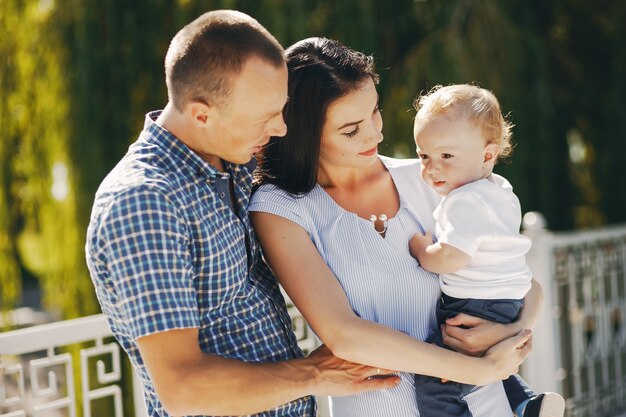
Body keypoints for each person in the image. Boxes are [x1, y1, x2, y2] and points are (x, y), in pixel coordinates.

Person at [85, 11, 402, 417]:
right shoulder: (145, 203)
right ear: (202, 114)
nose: (282, 129)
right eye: (264, 118)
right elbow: (184, 388)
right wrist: (311, 374)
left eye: (282, 109)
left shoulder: (228, 160)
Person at [250, 37, 536, 417]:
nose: (375, 135)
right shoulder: (280, 208)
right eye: (351, 130)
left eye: (374, 112)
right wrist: (479, 367)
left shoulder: (430, 178)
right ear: (305, 133)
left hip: (486, 406)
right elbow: (344, 335)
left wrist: (508, 333)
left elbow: (525, 283)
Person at [408, 84, 565, 417]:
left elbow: (451, 258)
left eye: (446, 156)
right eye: (424, 156)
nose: (432, 167)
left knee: (438, 379)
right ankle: (527, 403)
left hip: (474, 305)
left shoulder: (462, 201)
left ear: (487, 155)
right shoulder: (501, 191)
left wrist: (423, 250)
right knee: (492, 359)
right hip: (509, 300)